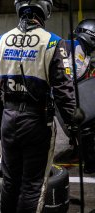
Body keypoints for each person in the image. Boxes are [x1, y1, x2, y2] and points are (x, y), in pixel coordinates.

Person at [0, 0, 76, 212]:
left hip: (8, 118)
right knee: (32, 186)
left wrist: (0, 120)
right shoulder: (53, 42)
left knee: (10, 182)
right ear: (45, 9)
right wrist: (74, 124)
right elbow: (64, 92)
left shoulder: (1, 41)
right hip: (37, 122)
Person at [66, 19, 95, 174]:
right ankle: (90, 164)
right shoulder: (71, 46)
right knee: (88, 126)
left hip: (72, 96)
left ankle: (78, 150)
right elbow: (68, 75)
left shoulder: (83, 52)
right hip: (66, 98)